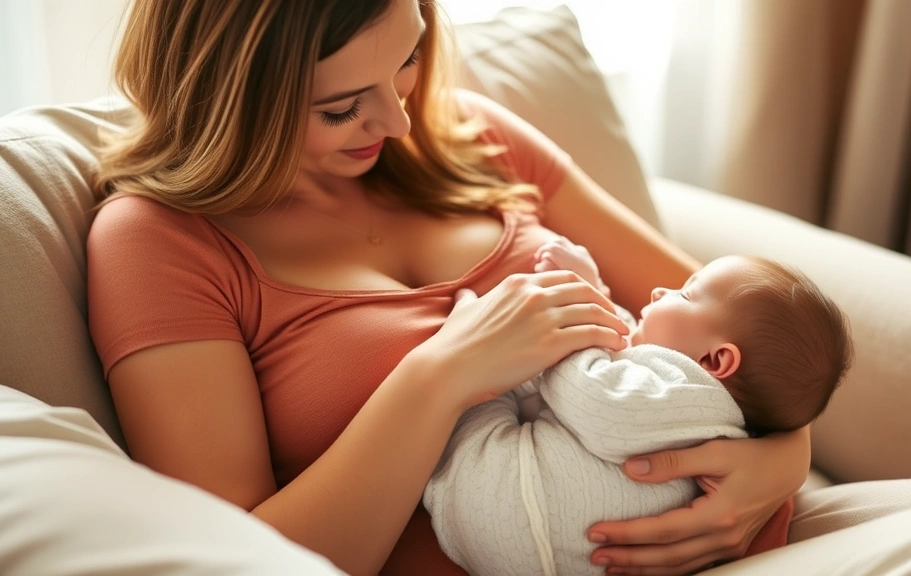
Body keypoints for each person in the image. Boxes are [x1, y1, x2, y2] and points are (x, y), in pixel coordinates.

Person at [85, 1, 813, 575]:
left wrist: (785, 459)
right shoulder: (157, 243)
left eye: (407, 58)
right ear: (228, 96)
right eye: (340, 107)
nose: (398, 119)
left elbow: (741, 326)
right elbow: (237, 560)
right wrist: (441, 376)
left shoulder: (469, 136)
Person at [424, 241, 852, 576]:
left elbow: (599, 398)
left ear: (715, 361)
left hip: (514, 508)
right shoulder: (692, 398)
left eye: (684, 294)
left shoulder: (689, 397)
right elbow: (623, 348)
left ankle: (468, 327)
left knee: (487, 394)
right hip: (538, 532)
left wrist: (581, 306)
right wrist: (595, 293)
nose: (660, 289)